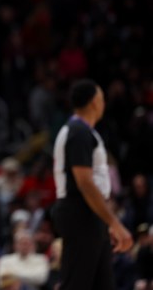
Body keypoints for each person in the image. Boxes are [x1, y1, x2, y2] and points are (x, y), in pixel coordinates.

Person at [52, 79, 133, 290]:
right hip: (80, 210)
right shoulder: (78, 131)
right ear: (95, 102)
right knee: (76, 283)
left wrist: (105, 221)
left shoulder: (83, 131)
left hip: (89, 213)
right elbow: (85, 183)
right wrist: (114, 222)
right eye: (102, 99)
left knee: (103, 284)